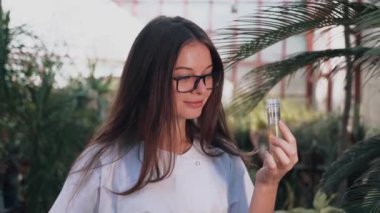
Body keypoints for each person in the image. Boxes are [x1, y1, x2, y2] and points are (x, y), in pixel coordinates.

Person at [49, 16, 298, 213]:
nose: (201, 89)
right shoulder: (106, 162)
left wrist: (267, 183)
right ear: (150, 79)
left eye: (207, 75)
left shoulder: (223, 161)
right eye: (185, 76)